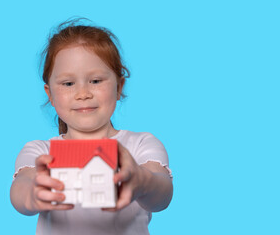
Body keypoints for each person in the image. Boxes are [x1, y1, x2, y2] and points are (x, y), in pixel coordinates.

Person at [10, 18, 173, 235]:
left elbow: (162, 193)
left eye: (95, 81)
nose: (83, 93)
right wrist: (32, 194)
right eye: (68, 83)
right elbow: (21, 186)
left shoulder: (141, 144)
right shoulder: (40, 152)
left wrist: (142, 181)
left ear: (119, 87)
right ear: (50, 94)